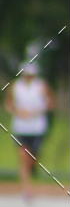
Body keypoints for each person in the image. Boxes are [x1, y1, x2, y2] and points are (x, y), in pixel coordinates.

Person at [5, 62, 55, 200]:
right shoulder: (15, 86)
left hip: (37, 127)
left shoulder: (41, 86)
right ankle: (26, 189)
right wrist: (18, 112)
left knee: (33, 158)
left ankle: (31, 175)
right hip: (21, 127)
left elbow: (50, 102)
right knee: (23, 157)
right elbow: (9, 104)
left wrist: (36, 111)